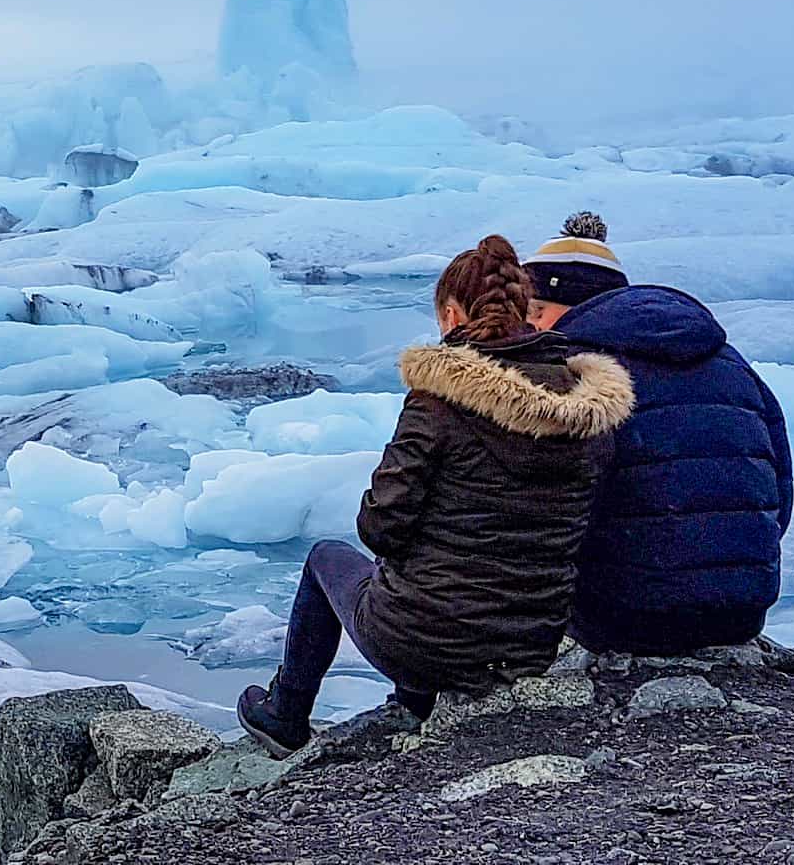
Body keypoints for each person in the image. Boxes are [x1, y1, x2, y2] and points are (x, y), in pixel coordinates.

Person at [237, 235, 634, 756]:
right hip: (531, 640)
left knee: (326, 560)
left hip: (426, 640)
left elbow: (380, 526)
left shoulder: (438, 401)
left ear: (451, 314)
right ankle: (420, 698)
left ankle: (286, 714)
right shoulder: (587, 406)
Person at [525, 213, 794, 656]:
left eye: (536, 311)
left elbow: (549, 512)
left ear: (569, 306)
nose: (531, 326)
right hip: (744, 610)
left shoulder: (574, 373)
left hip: (623, 618)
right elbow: (779, 489)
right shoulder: (731, 362)